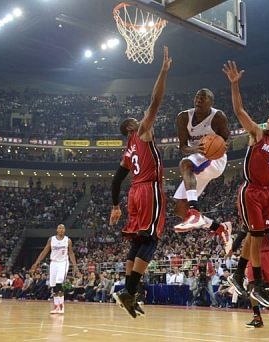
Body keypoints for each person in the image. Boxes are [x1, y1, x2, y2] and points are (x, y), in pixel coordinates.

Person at [109, 47, 171, 319]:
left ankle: (129, 291)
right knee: (153, 237)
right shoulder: (142, 132)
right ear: (133, 127)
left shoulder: (127, 151)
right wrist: (163, 71)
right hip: (148, 190)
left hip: (134, 193)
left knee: (137, 239)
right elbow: (155, 101)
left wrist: (115, 205)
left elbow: (116, 179)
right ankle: (129, 290)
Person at [223, 61, 269, 307]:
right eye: (268, 119)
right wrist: (234, 85)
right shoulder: (258, 135)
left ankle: (239, 274)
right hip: (251, 190)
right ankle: (257, 284)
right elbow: (240, 110)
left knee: (257, 235)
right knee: (255, 233)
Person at [172, 83, 232, 250]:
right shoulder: (183, 117)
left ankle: (195, 211)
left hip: (216, 159)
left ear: (210, 102)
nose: (198, 100)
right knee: (179, 209)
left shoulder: (218, 117)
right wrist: (195, 149)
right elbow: (183, 146)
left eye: (203, 98)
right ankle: (220, 228)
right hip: (197, 155)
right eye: (197, 97)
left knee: (185, 164)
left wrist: (222, 145)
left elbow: (227, 140)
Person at [30, 224, 79, 314]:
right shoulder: (51, 239)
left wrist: (75, 266)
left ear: (65, 230)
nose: (61, 229)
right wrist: (36, 263)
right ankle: (56, 306)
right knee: (53, 285)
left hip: (63, 262)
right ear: (57, 230)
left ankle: (61, 306)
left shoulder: (68, 240)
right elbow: (44, 252)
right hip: (54, 263)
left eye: (63, 228)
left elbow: (71, 253)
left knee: (59, 282)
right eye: (59, 228)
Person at [244, 224, 269, 328]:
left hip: (268, 254)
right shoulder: (248, 219)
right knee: (252, 286)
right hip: (253, 254)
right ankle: (257, 318)